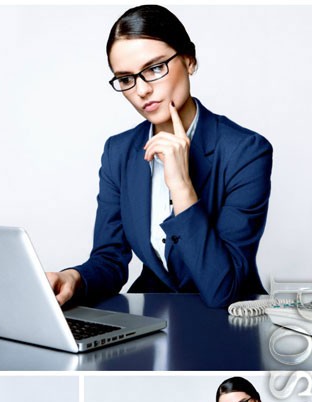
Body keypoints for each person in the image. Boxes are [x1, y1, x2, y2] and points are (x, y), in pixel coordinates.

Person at [47, 5, 272, 310]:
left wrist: (181, 186)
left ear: (189, 60)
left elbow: (223, 289)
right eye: (126, 78)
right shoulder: (120, 151)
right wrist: (74, 277)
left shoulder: (245, 151)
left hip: (228, 324)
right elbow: (110, 258)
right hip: (154, 322)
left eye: (154, 68)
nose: (141, 90)